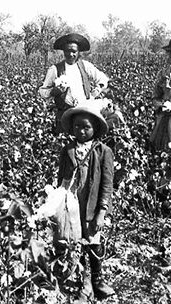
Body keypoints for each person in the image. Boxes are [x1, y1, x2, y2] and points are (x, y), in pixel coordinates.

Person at [58, 104, 115, 299]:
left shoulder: (103, 151)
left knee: (94, 241)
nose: (81, 131)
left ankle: (98, 279)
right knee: (76, 240)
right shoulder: (67, 151)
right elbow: (61, 180)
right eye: (76, 127)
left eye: (86, 127)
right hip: (73, 204)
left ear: (95, 129)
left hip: (92, 206)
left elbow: (107, 184)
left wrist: (102, 211)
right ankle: (84, 279)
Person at [39, 33, 111, 133]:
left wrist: (97, 89)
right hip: (65, 114)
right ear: (63, 52)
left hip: (84, 112)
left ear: (78, 52)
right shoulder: (55, 69)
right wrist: (53, 91)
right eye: (67, 51)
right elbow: (42, 91)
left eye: (74, 51)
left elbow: (103, 79)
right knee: (64, 142)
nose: (70, 54)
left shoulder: (85, 66)